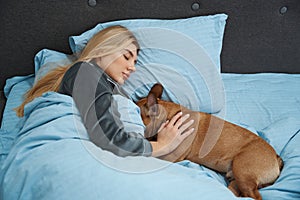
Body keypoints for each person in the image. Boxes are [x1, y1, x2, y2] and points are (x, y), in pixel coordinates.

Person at [15, 25, 194, 157]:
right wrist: (163, 145)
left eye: (135, 62)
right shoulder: (85, 71)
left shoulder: (103, 86)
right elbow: (109, 139)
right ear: (102, 50)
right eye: (126, 57)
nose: (132, 68)